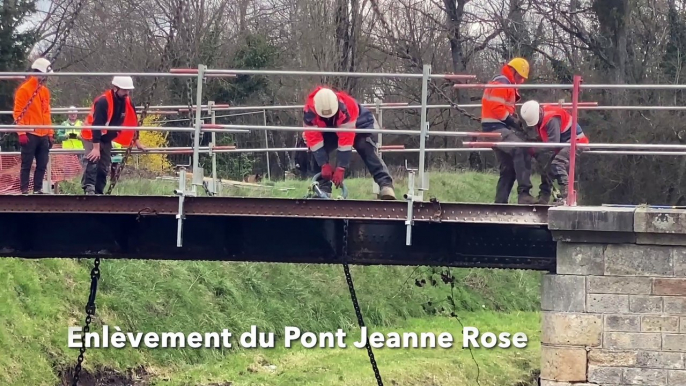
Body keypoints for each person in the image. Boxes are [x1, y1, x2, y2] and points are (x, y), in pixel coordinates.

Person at [302, 86, 396, 200]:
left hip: (362, 123)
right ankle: (323, 190)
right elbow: (314, 140)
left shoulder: (347, 107)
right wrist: (324, 164)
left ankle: (385, 185)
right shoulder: (309, 112)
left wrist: (341, 168)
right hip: (331, 129)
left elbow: (345, 141)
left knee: (364, 146)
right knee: (316, 151)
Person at [480, 57, 536, 204]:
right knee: (521, 149)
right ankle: (524, 193)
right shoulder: (503, 83)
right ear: (512, 71)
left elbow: (500, 108)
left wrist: (513, 119)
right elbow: (497, 109)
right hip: (495, 129)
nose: (521, 81)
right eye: (519, 77)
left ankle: (500, 204)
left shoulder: (503, 82)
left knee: (508, 169)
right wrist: (512, 121)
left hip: (495, 128)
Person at [80, 76, 146, 195]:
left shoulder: (127, 102)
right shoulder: (103, 101)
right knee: (93, 160)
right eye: (124, 90)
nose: (127, 93)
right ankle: (89, 189)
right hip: (92, 135)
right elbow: (96, 125)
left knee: (103, 166)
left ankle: (99, 192)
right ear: (116, 88)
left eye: (128, 90)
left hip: (106, 137)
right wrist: (96, 148)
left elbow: (133, 122)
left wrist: (136, 141)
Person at [520, 100, 590, 205]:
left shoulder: (551, 119)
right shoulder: (540, 117)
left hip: (576, 142)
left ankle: (567, 196)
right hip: (565, 144)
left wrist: (536, 148)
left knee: (557, 163)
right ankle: (544, 197)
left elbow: (553, 143)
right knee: (546, 166)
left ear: (539, 113)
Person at [13, 57, 54, 194]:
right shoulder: (24, 90)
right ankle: (24, 190)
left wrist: (50, 133)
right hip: (30, 133)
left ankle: (38, 189)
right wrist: (22, 132)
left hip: (42, 134)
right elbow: (18, 113)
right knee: (27, 164)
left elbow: (47, 113)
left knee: (42, 164)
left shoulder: (44, 91)